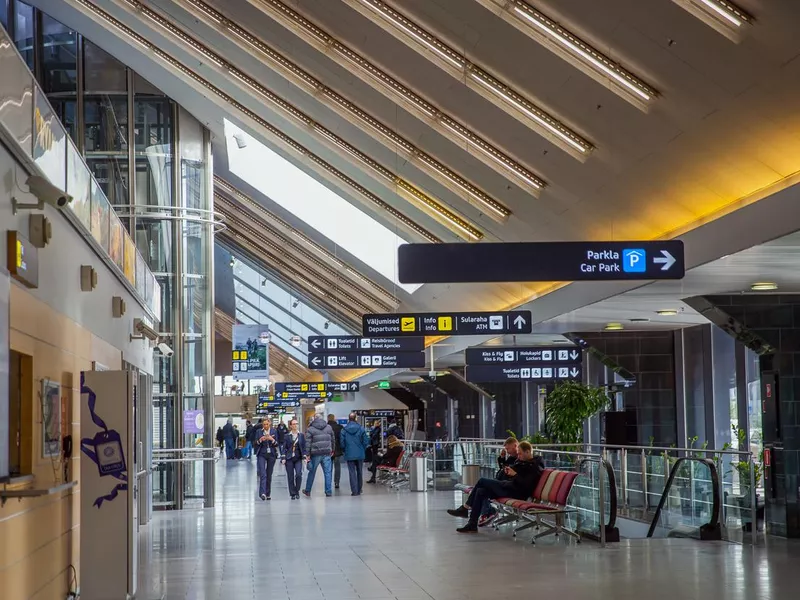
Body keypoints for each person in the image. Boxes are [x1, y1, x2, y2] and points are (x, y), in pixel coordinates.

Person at [447, 441, 544, 534]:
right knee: (481, 491)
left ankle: (465, 508)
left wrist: (514, 475)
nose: (518, 456)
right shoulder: (523, 462)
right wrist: (509, 471)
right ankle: (472, 524)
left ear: (528, 452)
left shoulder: (535, 466)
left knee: (482, 481)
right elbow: (517, 475)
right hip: (509, 486)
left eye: (520, 454)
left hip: (517, 492)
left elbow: (527, 484)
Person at [478, 437, 520, 527]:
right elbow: (503, 468)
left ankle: (483, 511)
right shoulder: (512, 458)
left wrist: (513, 474)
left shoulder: (521, 461)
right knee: (481, 490)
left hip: (506, 486)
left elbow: (512, 475)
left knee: (482, 483)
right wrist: (502, 458)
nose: (507, 451)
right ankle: (487, 513)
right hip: (502, 483)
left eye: (508, 448)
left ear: (515, 446)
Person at [303, 413, 334, 498]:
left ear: (314, 419)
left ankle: (308, 490)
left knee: (312, 472)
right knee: (328, 473)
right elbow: (332, 439)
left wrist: (307, 454)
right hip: (327, 453)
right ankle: (328, 492)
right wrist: (332, 449)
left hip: (315, 454)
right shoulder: (329, 427)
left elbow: (308, 443)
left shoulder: (311, 429)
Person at [340, 413, 369, 496]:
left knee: (352, 472)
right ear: (355, 418)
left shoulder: (344, 430)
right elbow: (366, 441)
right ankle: (359, 489)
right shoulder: (361, 428)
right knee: (360, 471)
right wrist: (362, 449)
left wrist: (345, 450)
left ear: (349, 419)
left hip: (349, 453)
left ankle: (354, 491)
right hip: (360, 453)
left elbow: (342, 443)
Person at [254, 418, 279, 500]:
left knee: (269, 474)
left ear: (270, 424)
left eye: (267, 424)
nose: (265, 426)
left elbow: (277, 443)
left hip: (271, 454)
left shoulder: (274, 431)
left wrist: (272, 440)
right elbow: (255, 443)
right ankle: (262, 493)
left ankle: (268, 493)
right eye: (264, 424)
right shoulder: (259, 432)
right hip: (262, 453)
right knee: (263, 473)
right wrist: (260, 440)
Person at [281, 418, 306, 499]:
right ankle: (292, 494)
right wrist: (283, 457)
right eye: (294, 424)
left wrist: (305, 456)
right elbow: (284, 448)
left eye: (296, 424)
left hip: (298, 458)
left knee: (299, 474)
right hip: (289, 459)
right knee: (290, 476)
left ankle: (297, 490)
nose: (295, 425)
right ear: (291, 426)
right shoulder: (287, 436)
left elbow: (304, 447)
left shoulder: (301, 435)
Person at [327, 414, 344, 490]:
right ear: (334, 419)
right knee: (337, 466)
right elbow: (342, 438)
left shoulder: (325, 427)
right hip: (337, 449)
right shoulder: (340, 427)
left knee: (328, 467)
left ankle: (328, 481)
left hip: (328, 450)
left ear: (328, 419)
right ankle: (337, 482)